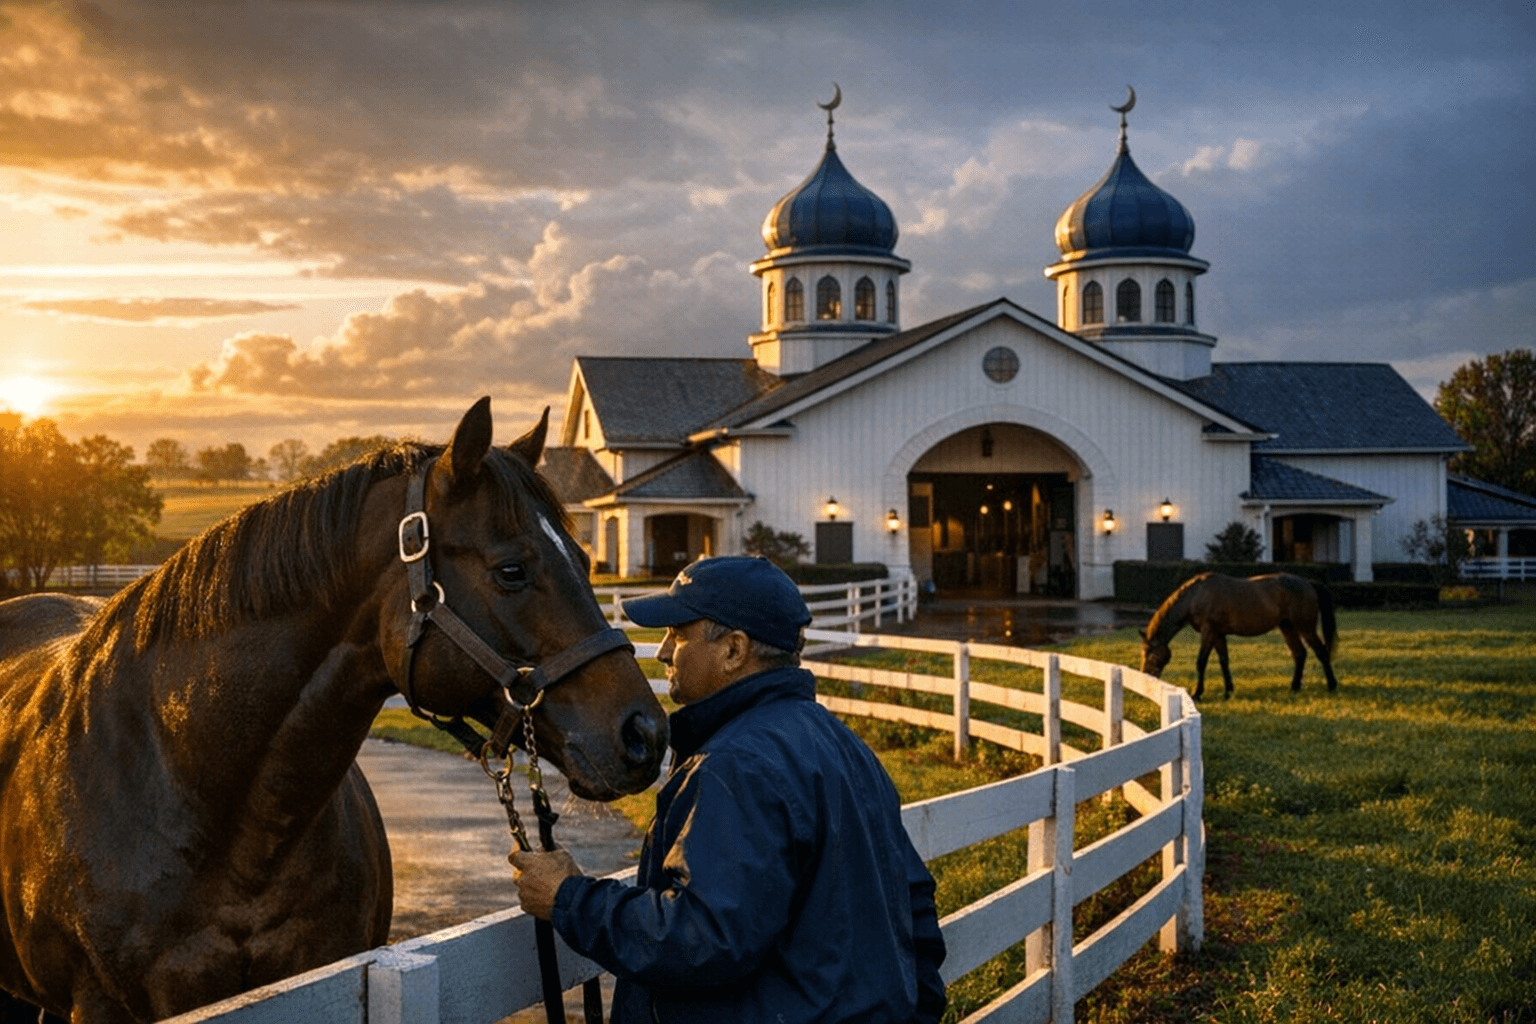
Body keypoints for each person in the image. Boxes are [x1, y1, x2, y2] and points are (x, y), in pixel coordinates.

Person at [511, 555, 947, 1024]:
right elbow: (915, 907)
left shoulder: (737, 764)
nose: (661, 652)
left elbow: (702, 937)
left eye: (678, 634)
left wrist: (569, 898)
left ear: (734, 651)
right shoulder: (842, 744)